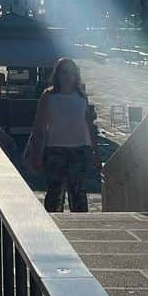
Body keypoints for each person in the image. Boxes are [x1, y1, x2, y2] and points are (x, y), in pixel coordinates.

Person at [27, 57, 101, 213]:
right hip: (55, 150)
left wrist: (95, 152)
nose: (68, 76)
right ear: (58, 74)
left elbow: (88, 125)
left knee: (78, 193)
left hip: (79, 150)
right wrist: (37, 155)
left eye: (72, 73)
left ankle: (80, 227)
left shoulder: (81, 96)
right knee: (54, 192)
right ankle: (54, 225)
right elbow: (39, 127)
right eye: (64, 72)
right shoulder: (48, 96)